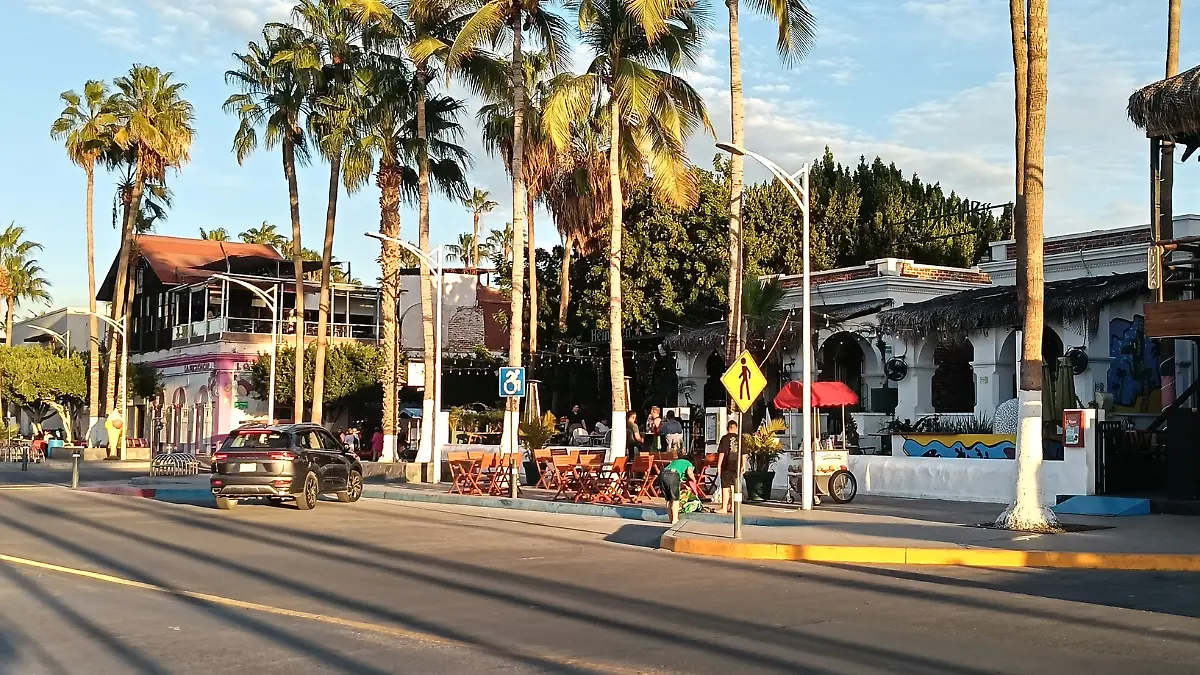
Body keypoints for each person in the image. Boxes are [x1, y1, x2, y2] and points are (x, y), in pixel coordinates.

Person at [658, 455, 697, 525]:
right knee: (675, 500)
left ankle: (670, 519)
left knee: (669, 499)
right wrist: (694, 480)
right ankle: (675, 519)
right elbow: (689, 473)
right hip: (672, 474)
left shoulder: (675, 462)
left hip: (662, 474)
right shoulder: (688, 463)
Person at [714, 419, 740, 514]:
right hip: (737, 465)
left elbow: (722, 452)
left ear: (727, 428)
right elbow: (744, 453)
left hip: (727, 465)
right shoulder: (740, 438)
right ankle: (733, 507)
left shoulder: (725, 438)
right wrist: (743, 465)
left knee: (725, 486)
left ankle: (724, 507)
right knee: (734, 486)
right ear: (736, 428)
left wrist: (719, 465)